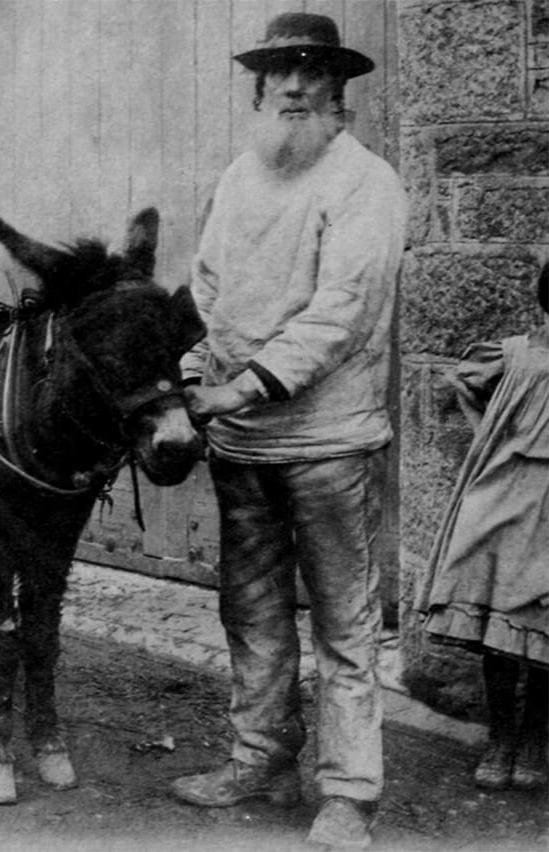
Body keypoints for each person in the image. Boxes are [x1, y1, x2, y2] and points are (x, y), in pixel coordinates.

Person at [169, 13, 407, 850]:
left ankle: (349, 794)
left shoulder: (364, 181)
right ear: (259, 90)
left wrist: (247, 388)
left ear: (339, 93)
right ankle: (260, 758)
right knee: (253, 610)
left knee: (345, 624)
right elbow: (207, 291)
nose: (297, 86)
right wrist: (197, 375)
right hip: (243, 443)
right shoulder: (239, 178)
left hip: (329, 440)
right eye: (281, 73)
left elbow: (344, 311)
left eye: (314, 73)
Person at [418, 264, 549, 792]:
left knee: (541, 630)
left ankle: (536, 741)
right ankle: (500, 738)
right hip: (506, 493)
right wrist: (486, 438)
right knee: (498, 632)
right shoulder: (515, 353)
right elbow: (466, 384)